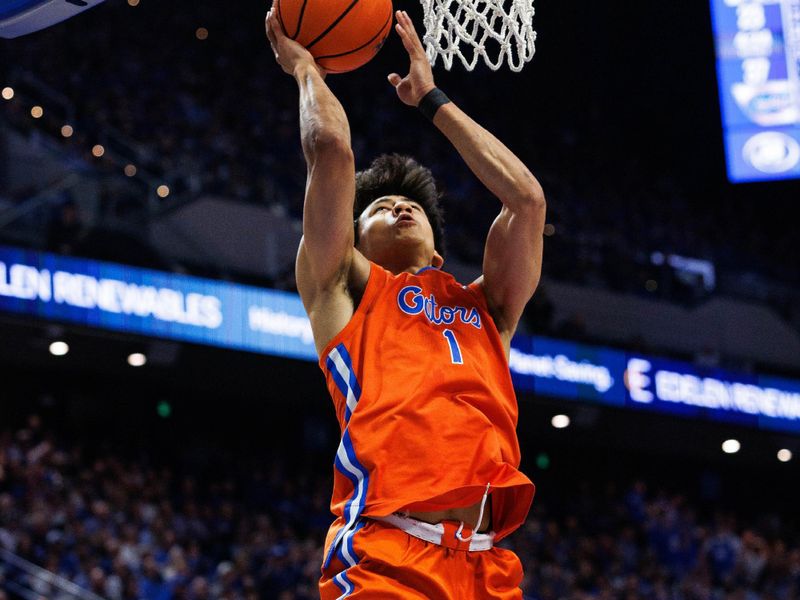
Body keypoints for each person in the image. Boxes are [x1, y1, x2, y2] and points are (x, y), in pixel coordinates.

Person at [266, 6, 546, 599]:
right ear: (353, 239)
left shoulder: (486, 310)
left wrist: (432, 99)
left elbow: (525, 200)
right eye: (377, 208)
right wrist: (306, 69)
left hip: (487, 567)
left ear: (439, 252)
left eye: (409, 206)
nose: (397, 207)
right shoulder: (343, 286)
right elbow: (331, 151)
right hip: (386, 555)